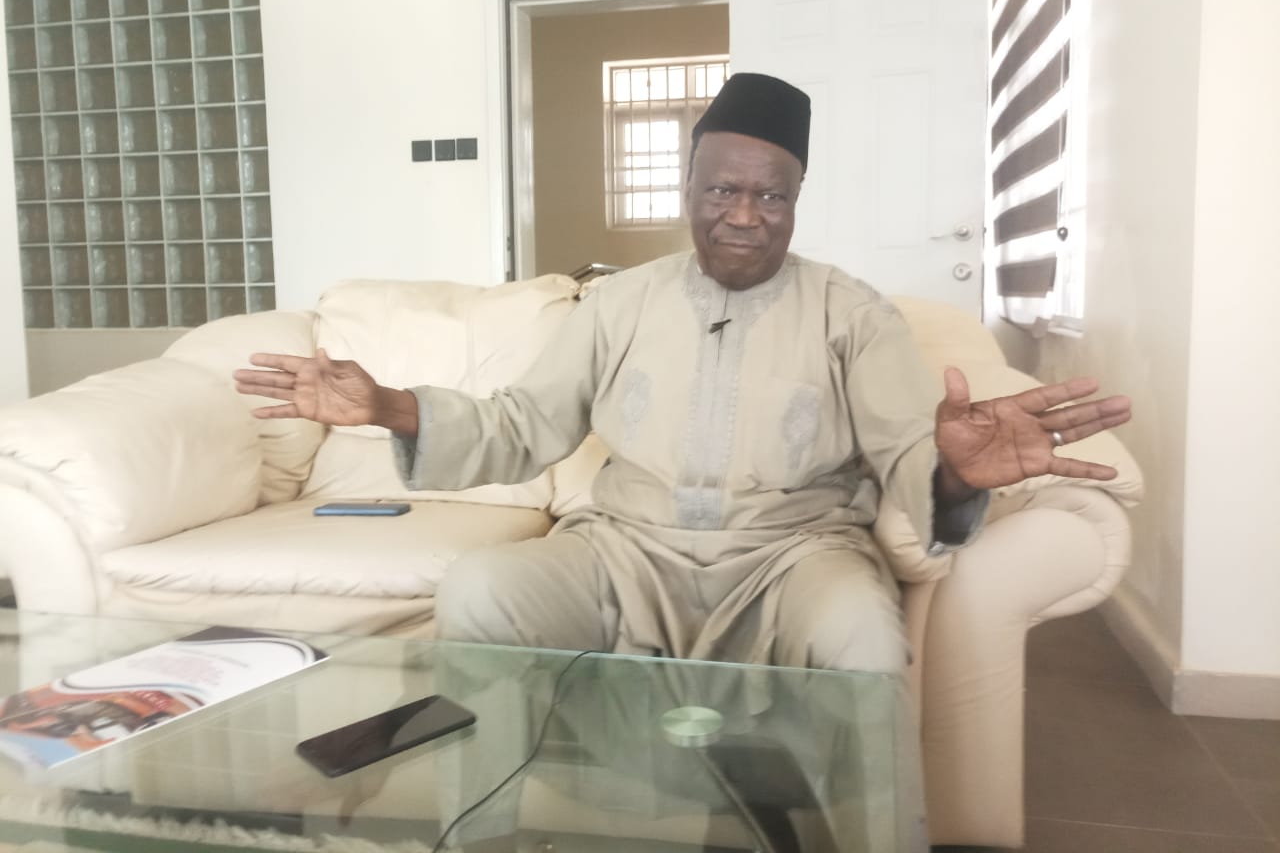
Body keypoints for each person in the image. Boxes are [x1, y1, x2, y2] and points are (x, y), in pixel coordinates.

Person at [234, 73, 1131, 675]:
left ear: (795, 201)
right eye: (721, 191)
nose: (744, 215)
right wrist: (389, 405)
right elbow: (523, 424)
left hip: (791, 559)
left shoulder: (854, 314)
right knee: (481, 590)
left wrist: (957, 473)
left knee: (863, 638)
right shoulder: (619, 303)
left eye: (770, 195)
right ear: (687, 191)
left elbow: (907, 452)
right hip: (624, 552)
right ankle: (512, 825)